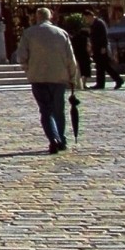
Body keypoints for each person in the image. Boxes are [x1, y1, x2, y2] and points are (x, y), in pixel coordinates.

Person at [16, 8, 83, 154]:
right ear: (50, 16)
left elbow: (21, 56)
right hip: (58, 77)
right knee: (59, 109)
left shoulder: (29, 33)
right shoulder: (61, 33)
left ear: (37, 17)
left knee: (46, 110)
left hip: (38, 77)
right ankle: (61, 138)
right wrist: (72, 77)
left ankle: (53, 138)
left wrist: (29, 69)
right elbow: (70, 59)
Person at [87, 14, 125, 90]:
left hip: (101, 48)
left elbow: (104, 36)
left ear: (90, 16)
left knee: (105, 66)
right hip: (96, 48)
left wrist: (103, 47)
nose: (86, 20)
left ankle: (118, 80)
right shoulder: (93, 25)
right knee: (101, 67)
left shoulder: (99, 23)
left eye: (86, 18)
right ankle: (101, 83)